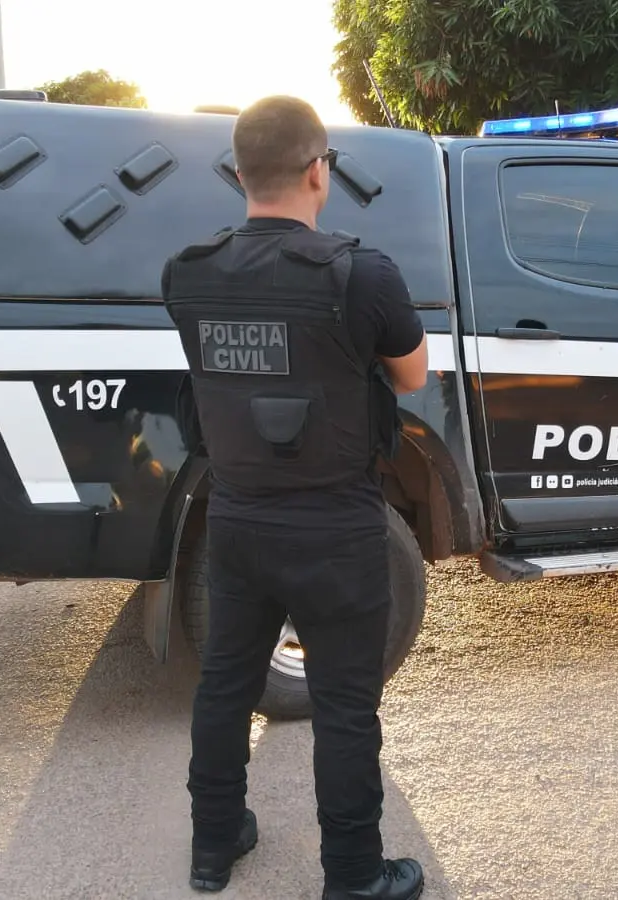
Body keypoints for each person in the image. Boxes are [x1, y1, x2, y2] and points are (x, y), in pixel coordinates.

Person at [161, 95, 430, 900]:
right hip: (337, 531)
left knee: (225, 686)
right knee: (346, 706)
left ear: (239, 175)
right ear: (321, 171)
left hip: (237, 520)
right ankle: (352, 877)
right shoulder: (362, 274)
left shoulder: (189, 274)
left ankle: (214, 847)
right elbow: (413, 376)